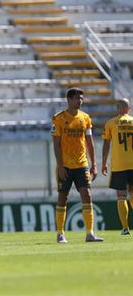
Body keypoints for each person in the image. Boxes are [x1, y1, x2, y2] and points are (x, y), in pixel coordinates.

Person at [52, 87, 103, 243]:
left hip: (82, 164)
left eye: (81, 98)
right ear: (69, 99)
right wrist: (60, 166)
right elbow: (56, 144)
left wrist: (94, 164)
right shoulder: (58, 118)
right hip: (65, 166)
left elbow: (89, 142)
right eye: (76, 98)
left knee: (87, 195)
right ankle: (60, 233)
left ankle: (90, 233)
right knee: (62, 198)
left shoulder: (85, 118)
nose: (80, 101)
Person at [102, 98, 133, 235]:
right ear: (129, 108)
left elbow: (106, 144)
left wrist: (103, 163)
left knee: (121, 196)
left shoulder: (110, 123)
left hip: (119, 165)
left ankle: (125, 228)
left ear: (117, 108)